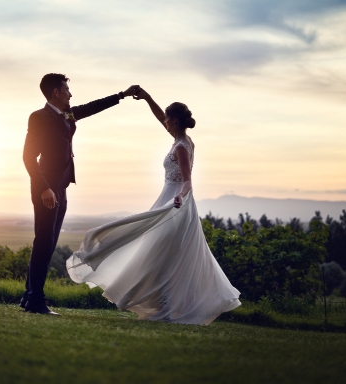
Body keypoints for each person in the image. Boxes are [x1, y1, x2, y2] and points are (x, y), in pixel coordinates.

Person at [66, 87, 241, 325]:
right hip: (171, 201)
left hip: (175, 205)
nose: (164, 123)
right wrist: (147, 98)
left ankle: (165, 310)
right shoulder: (184, 139)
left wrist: (179, 196)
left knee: (161, 255)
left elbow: (188, 180)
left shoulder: (181, 146)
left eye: (168, 120)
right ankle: (163, 308)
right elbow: (161, 118)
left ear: (175, 121)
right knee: (161, 256)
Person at [22, 73, 139, 315]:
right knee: (43, 244)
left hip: (61, 188)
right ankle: (35, 301)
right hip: (46, 189)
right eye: (67, 90)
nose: (70, 94)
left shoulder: (67, 114)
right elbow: (28, 156)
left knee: (47, 244)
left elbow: (91, 108)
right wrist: (44, 188)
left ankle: (29, 297)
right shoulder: (39, 117)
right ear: (56, 92)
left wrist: (121, 95)